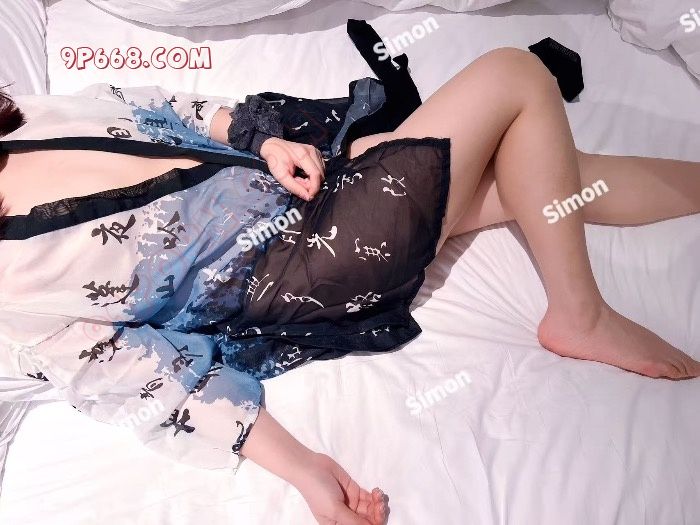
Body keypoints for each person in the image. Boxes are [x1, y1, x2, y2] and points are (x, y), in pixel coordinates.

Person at [1, 48, 699, 525]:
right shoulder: (14, 286)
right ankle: (579, 314)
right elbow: (146, 379)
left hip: (300, 178)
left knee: (541, 169)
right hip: (311, 261)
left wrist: (261, 139)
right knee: (514, 74)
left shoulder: (18, 119)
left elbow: (158, 103)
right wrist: (306, 469)